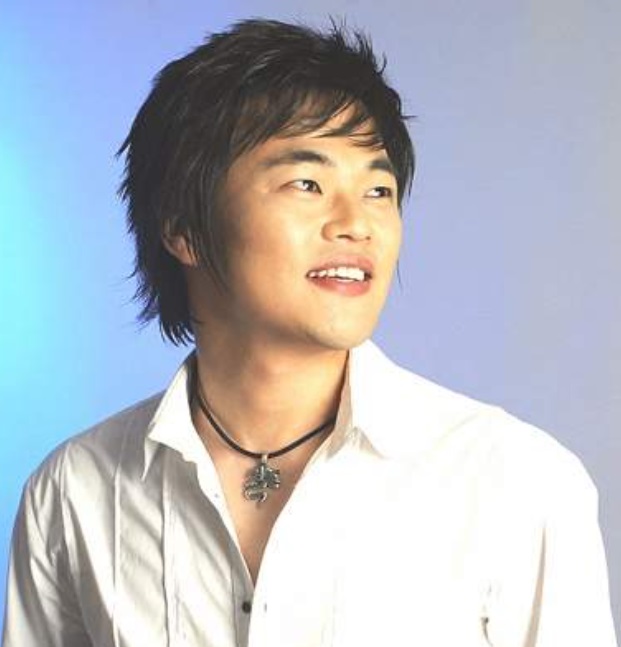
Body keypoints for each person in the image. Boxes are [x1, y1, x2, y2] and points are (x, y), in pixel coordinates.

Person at [2, 18, 617, 647]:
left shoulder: (515, 480)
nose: (357, 223)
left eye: (378, 189)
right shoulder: (75, 492)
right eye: (308, 183)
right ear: (183, 228)